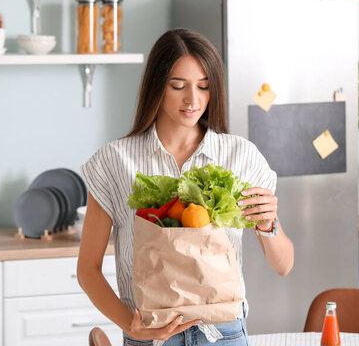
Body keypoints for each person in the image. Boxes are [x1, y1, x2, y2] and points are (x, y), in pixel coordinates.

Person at [77, 28, 295, 346]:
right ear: (157, 87)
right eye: (178, 86)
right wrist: (130, 326)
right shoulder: (114, 160)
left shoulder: (240, 155)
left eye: (203, 87)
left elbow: (284, 265)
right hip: (150, 336)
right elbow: (87, 269)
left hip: (224, 334)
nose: (193, 100)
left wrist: (268, 225)